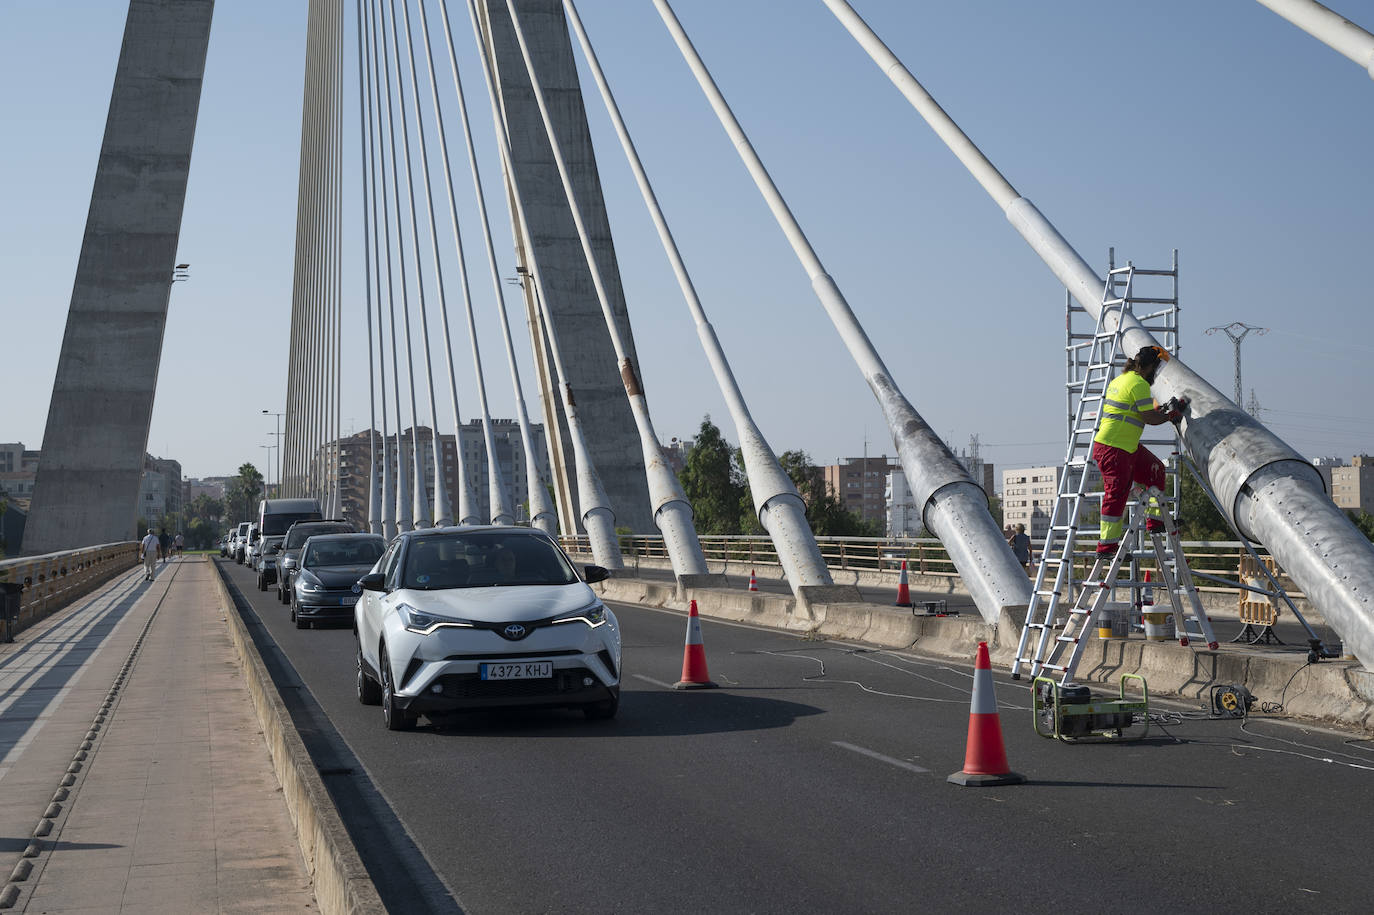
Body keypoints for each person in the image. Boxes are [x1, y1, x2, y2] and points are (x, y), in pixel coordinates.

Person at [1092, 345, 1187, 558]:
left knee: (1155, 471)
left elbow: (1139, 412)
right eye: (1157, 367)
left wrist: (1164, 410)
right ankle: (1106, 548)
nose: (1157, 373)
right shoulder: (1139, 384)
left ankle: (1156, 522)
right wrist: (1171, 415)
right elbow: (1150, 419)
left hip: (1125, 446)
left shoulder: (1121, 380)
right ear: (1149, 366)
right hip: (1114, 448)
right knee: (1116, 494)